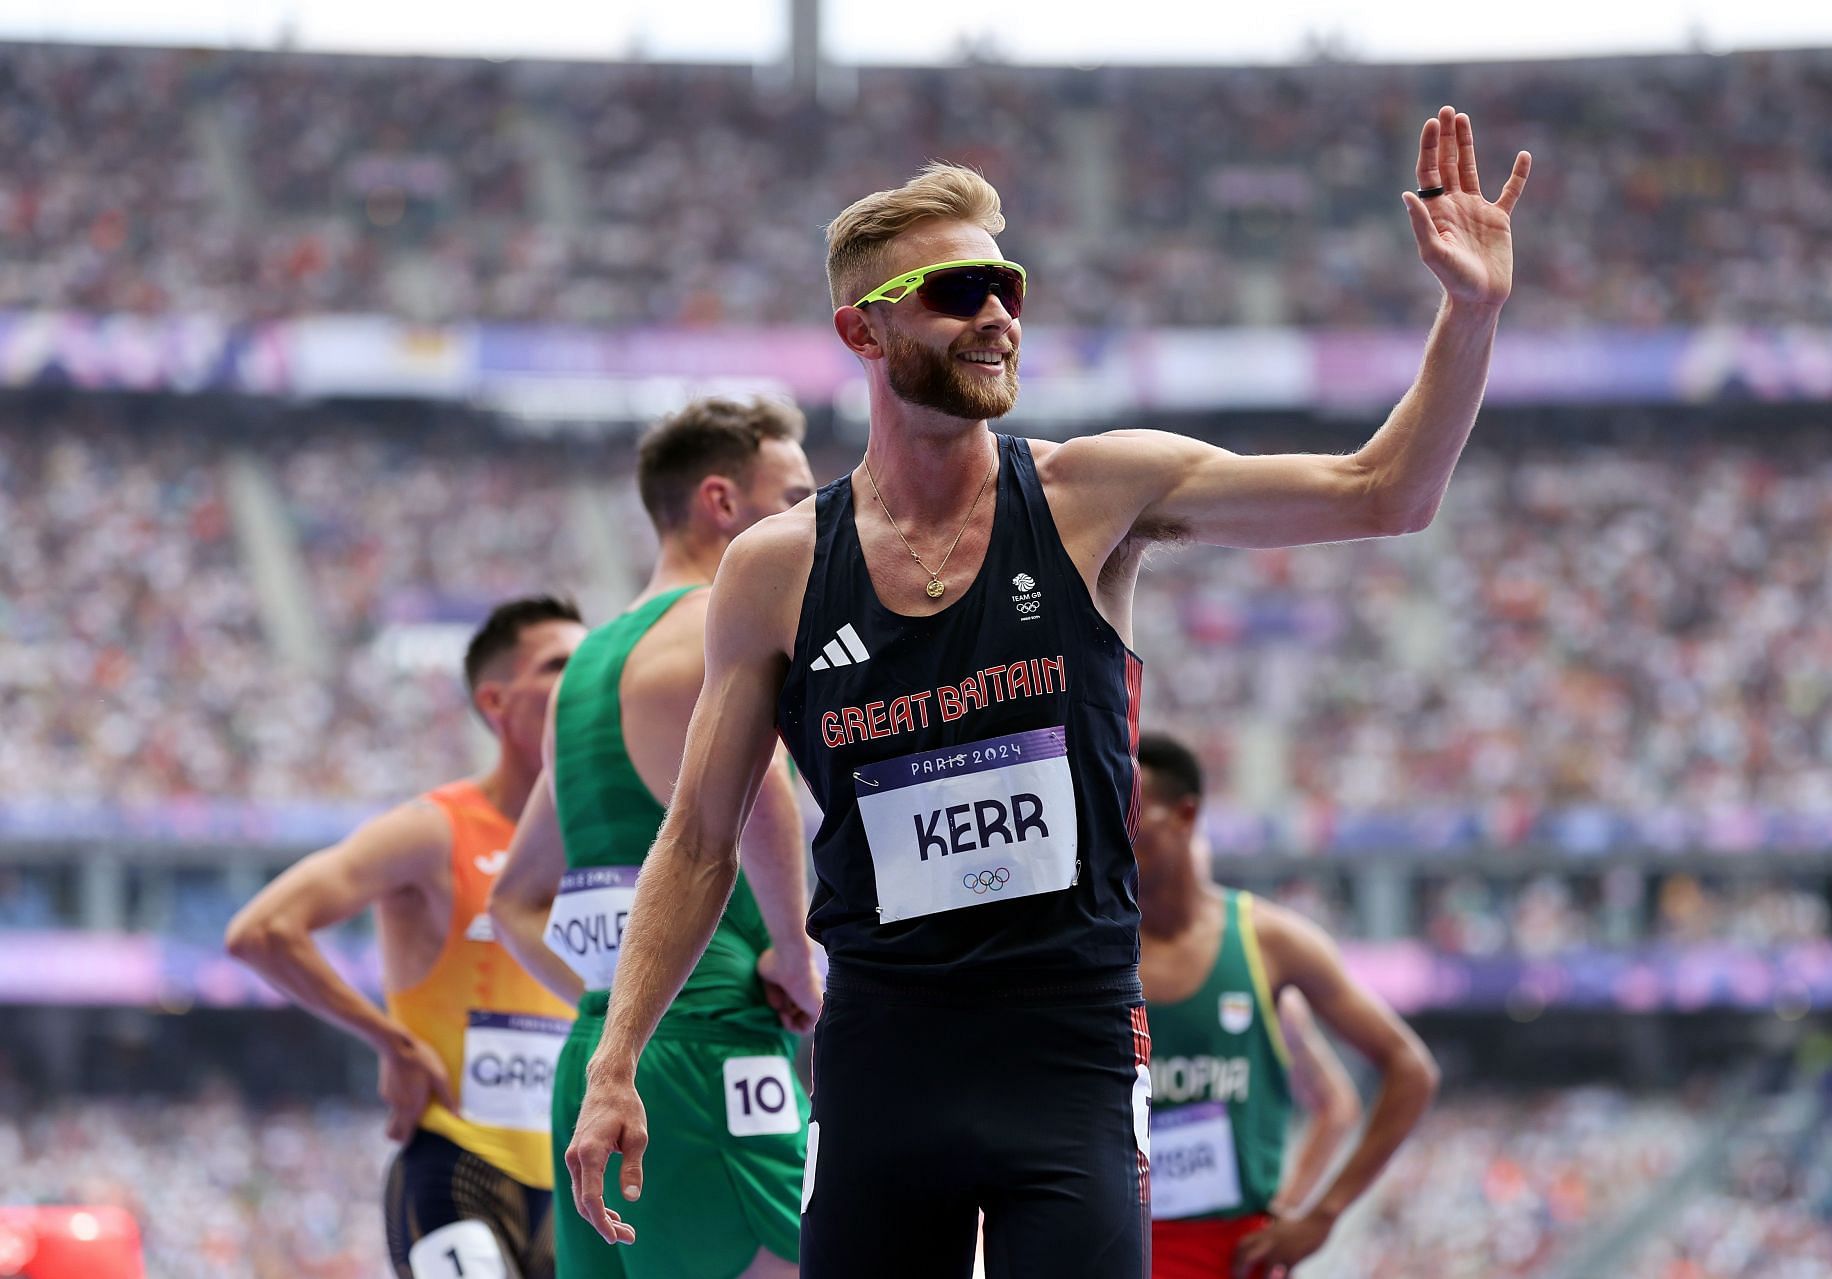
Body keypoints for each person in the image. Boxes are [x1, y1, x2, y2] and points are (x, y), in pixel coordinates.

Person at [565, 104, 1530, 1278]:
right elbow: (701, 835)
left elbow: (1383, 491)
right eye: (957, 290)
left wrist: (1470, 312)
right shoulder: (777, 568)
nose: (995, 315)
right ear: (863, 332)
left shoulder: (1092, 496)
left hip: (1067, 1052)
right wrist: (616, 1057)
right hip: (881, 1056)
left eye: (1008, 286)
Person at [488, 397, 821, 1279]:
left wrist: (609, 999)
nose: (813, 520)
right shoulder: (719, 636)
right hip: (714, 1048)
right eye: (792, 496)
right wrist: (792, 948)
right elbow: (763, 800)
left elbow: (513, 897)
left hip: (599, 1062)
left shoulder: (583, 669)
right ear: (721, 502)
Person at [226, 596, 587, 1279]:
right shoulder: (435, 829)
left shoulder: (600, 839)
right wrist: (390, 1039)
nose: (584, 677)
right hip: (458, 1167)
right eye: (559, 662)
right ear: (497, 701)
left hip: (574, 1178)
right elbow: (263, 930)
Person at [1134, 732, 1435, 1279]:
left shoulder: (1270, 943)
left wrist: (1317, 1214)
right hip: (1121, 1242)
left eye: (1132, 811)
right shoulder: (1089, 950)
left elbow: (1406, 1069)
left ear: (1184, 816)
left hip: (1235, 1249)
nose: (1114, 829)